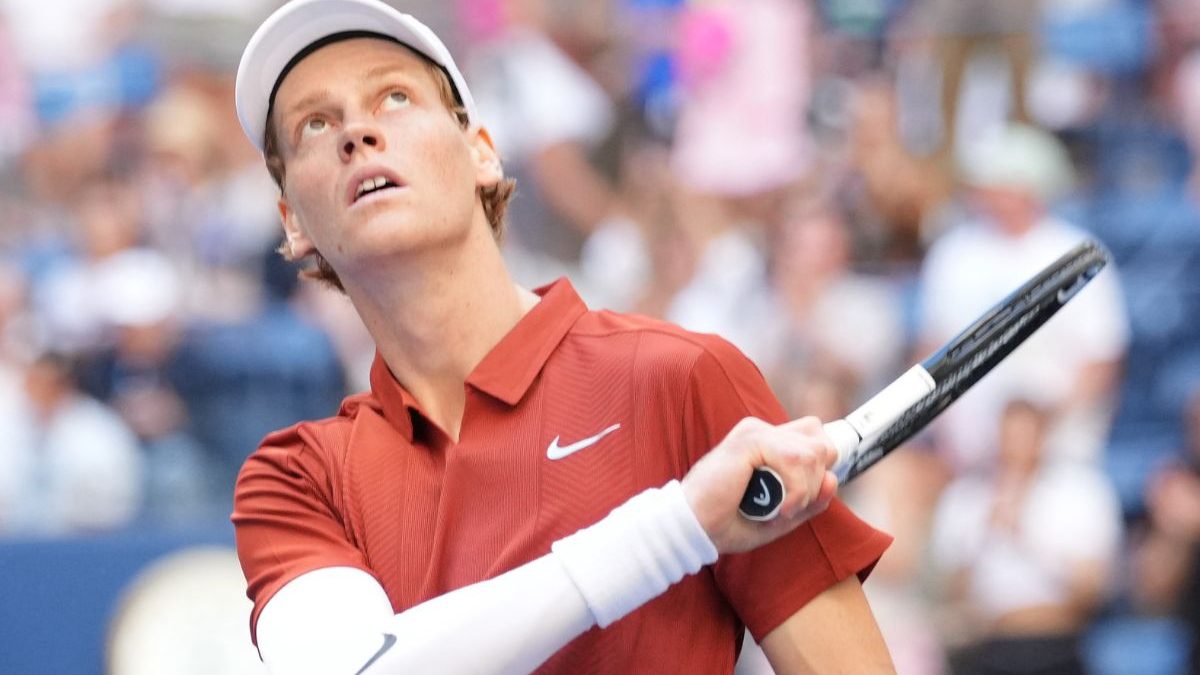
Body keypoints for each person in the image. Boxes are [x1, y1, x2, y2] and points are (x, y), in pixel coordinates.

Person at [230, 1, 893, 673]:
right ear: (294, 225)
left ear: (481, 152)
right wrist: (678, 526)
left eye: (394, 97)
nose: (357, 133)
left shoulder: (685, 376)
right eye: (315, 123)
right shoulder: (295, 479)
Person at [930, 399, 1122, 675]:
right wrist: (985, 534)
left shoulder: (1081, 491)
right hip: (985, 646)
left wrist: (1025, 536)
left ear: (1043, 436)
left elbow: (1090, 591)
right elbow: (951, 592)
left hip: (1055, 645)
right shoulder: (965, 497)